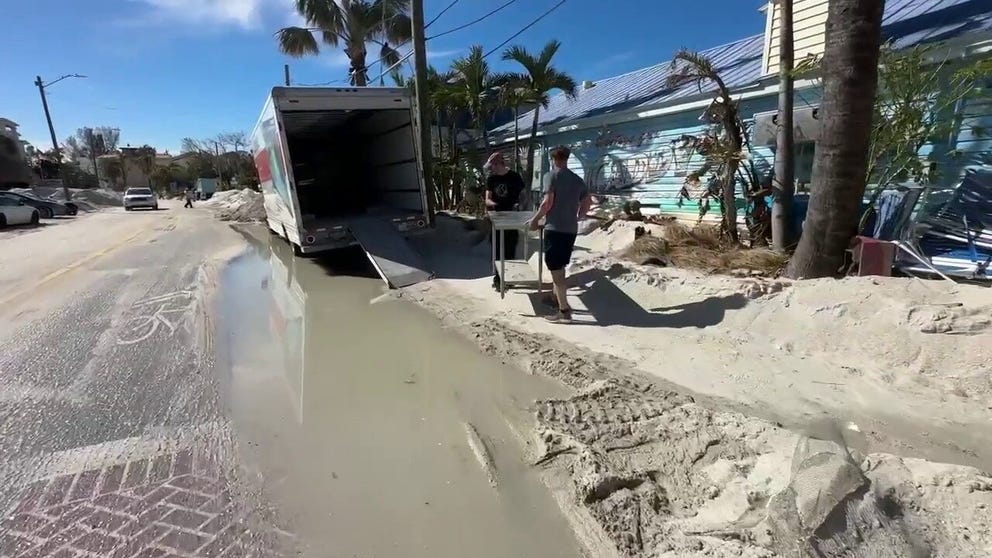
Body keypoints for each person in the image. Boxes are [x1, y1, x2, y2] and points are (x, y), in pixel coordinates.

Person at [529, 145, 592, 323]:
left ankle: (564, 311)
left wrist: (535, 220)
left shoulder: (551, 176)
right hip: (570, 229)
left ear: (553, 159)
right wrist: (579, 216)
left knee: (555, 269)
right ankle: (555, 296)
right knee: (561, 266)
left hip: (554, 228)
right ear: (567, 158)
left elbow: (547, 202)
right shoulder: (577, 179)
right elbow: (587, 201)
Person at [484, 152, 526, 291]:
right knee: (497, 249)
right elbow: (487, 198)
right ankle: (498, 279)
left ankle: (508, 278)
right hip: (497, 218)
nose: (491, 169)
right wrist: (493, 204)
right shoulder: (492, 179)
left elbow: (524, 195)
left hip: (513, 218)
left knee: (510, 248)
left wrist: (520, 206)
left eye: (493, 166)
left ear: (498, 164)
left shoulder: (515, 177)